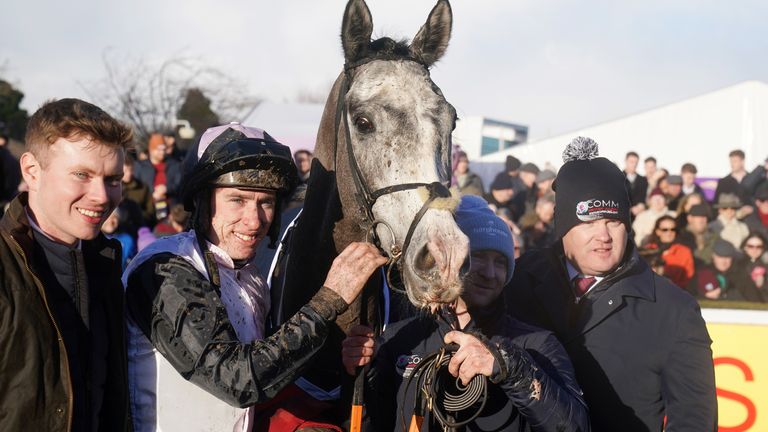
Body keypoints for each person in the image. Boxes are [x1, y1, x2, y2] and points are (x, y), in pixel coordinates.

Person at [123, 123, 388, 431]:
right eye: (237, 200)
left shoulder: (248, 277)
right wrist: (329, 298)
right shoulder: (164, 268)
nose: (254, 220)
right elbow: (238, 380)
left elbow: (268, 375)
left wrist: (349, 363)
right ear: (200, 200)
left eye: (266, 202)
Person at [505, 137, 717, 431]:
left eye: (614, 221)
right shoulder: (517, 280)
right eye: (589, 222)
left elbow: (694, 420)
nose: (603, 235)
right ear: (563, 225)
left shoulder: (675, 310)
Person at [343, 195, 590, 431]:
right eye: (478, 257)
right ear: (447, 259)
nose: (490, 273)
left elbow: (575, 427)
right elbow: (371, 422)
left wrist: (511, 368)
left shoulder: (535, 344)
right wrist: (366, 371)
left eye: (501, 262)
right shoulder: (403, 338)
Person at [0, 98, 133, 430]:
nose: (102, 196)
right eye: (81, 175)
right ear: (32, 170)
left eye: (113, 179)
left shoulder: (105, 265)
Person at [133, 133, 183, 221]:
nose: (162, 152)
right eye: (159, 150)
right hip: (148, 210)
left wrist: (167, 189)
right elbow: (135, 187)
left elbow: (180, 184)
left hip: (171, 212)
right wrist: (152, 193)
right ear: (151, 150)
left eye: (164, 149)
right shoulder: (140, 166)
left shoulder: (174, 165)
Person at [638, 215, 695, 289]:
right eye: (665, 230)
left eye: (673, 229)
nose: (669, 233)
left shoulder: (684, 252)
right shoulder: (648, 251)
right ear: (658, 232)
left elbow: (688, 278)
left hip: (677, 292)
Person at [623, 151, 648, 215]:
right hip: (622, 212)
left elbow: (643, 197)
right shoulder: (617, 178)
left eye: (636, 162)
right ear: (625, 161)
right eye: (631, 162)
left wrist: (641, 205)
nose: (634, 164)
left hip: (639, 213)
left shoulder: (643, 180)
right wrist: (629, 209)